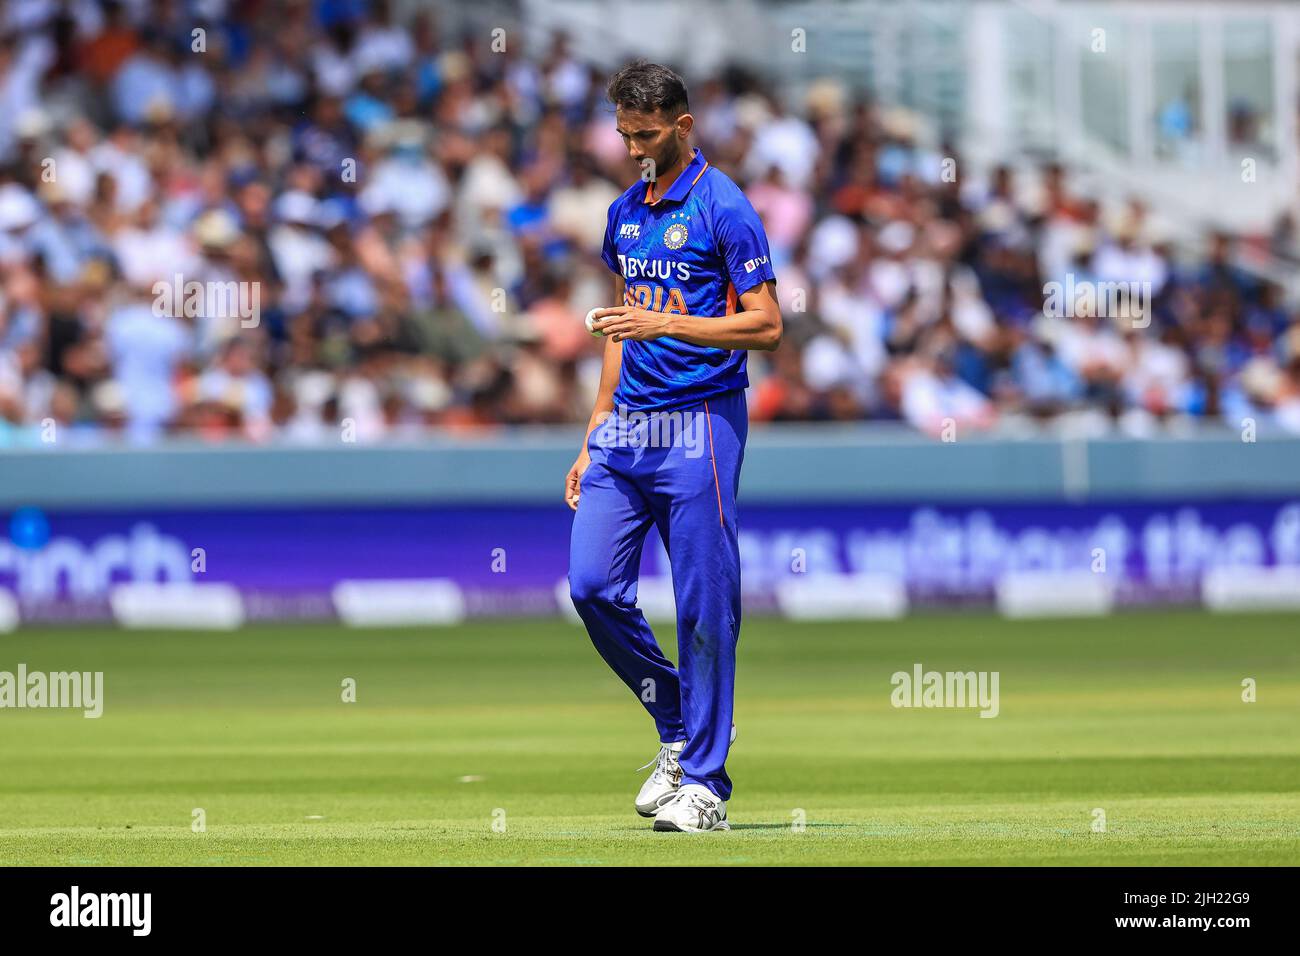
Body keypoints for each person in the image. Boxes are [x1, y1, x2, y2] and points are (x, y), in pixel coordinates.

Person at [564, 61, 782, 832]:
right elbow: (623, 326)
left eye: (647, 133)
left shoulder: (726, 207)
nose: (634, 148)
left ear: (682, 126)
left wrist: (672, 324)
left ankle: (707, 786)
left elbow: (766, 325)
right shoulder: (624, 211)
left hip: (701, 422)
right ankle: (679, 722)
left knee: (702, 605)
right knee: (591, 586)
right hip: (627, 427)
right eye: (624, 133)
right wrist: (595, 429)